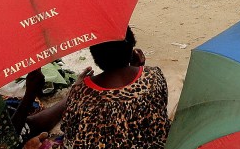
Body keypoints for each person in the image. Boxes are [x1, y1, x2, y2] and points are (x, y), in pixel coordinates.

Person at [26, 27, 170, 148]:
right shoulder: (154, 76)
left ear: (95, 56)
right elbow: (156, 105)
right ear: (132, 47)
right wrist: (139, 69)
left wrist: (77, 89)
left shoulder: (81, 93)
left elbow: (69, 130)